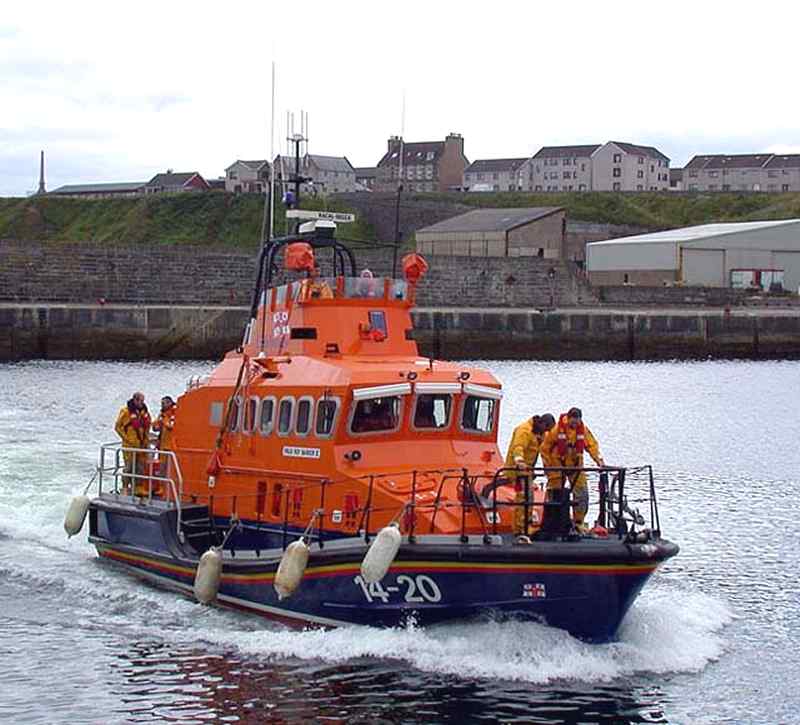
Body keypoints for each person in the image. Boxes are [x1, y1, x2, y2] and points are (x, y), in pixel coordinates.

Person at [540, 407, 605, 530]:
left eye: (577, 421)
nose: (575, 424)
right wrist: (548, 467)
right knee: (554, 494)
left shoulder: (583, 431)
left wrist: (599, 461)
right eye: (573, 421)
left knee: (582, 493)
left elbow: (592, 446)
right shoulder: (555, 431)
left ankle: (578, 523)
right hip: (557, 466)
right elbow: (544, 449)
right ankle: (552, 523)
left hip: (576, 467)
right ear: (568, 419)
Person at [504, 413, 556, 534]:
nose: (547, 432)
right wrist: (519, 461)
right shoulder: (524, 431)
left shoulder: (540, 433)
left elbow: (544, 449)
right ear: (542, 424)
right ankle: (520, 529)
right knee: (524, 498)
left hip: (527, 470)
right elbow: (518, 447)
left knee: (529, 498)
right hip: (517, 469)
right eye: (547, 429)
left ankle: (525, 526)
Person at [114, 392, 151, 494]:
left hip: (141, 445)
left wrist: (146, 441)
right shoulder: (125, 412)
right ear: (135, 400)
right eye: (140, 401)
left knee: (140, 468)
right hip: (129, 445)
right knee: (128, 467)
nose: (142, 403)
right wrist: (127, 439)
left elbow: (147, 426)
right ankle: (125, 487)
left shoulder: (144, 412)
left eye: (143, 401)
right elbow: (117, 427)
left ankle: (137, 488)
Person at [152, 396, 177, 485]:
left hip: (170, 446)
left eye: (163, 403)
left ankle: (166, 487)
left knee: (169, 469)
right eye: (161, 404)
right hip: (163, 446)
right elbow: (155, 427)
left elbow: (171, 426)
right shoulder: (163, 414)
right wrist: (157, 422)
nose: (162, 405)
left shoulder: (175, 412)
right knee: (162, 468)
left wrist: (164, 420)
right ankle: (161, 487)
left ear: (169, 403)